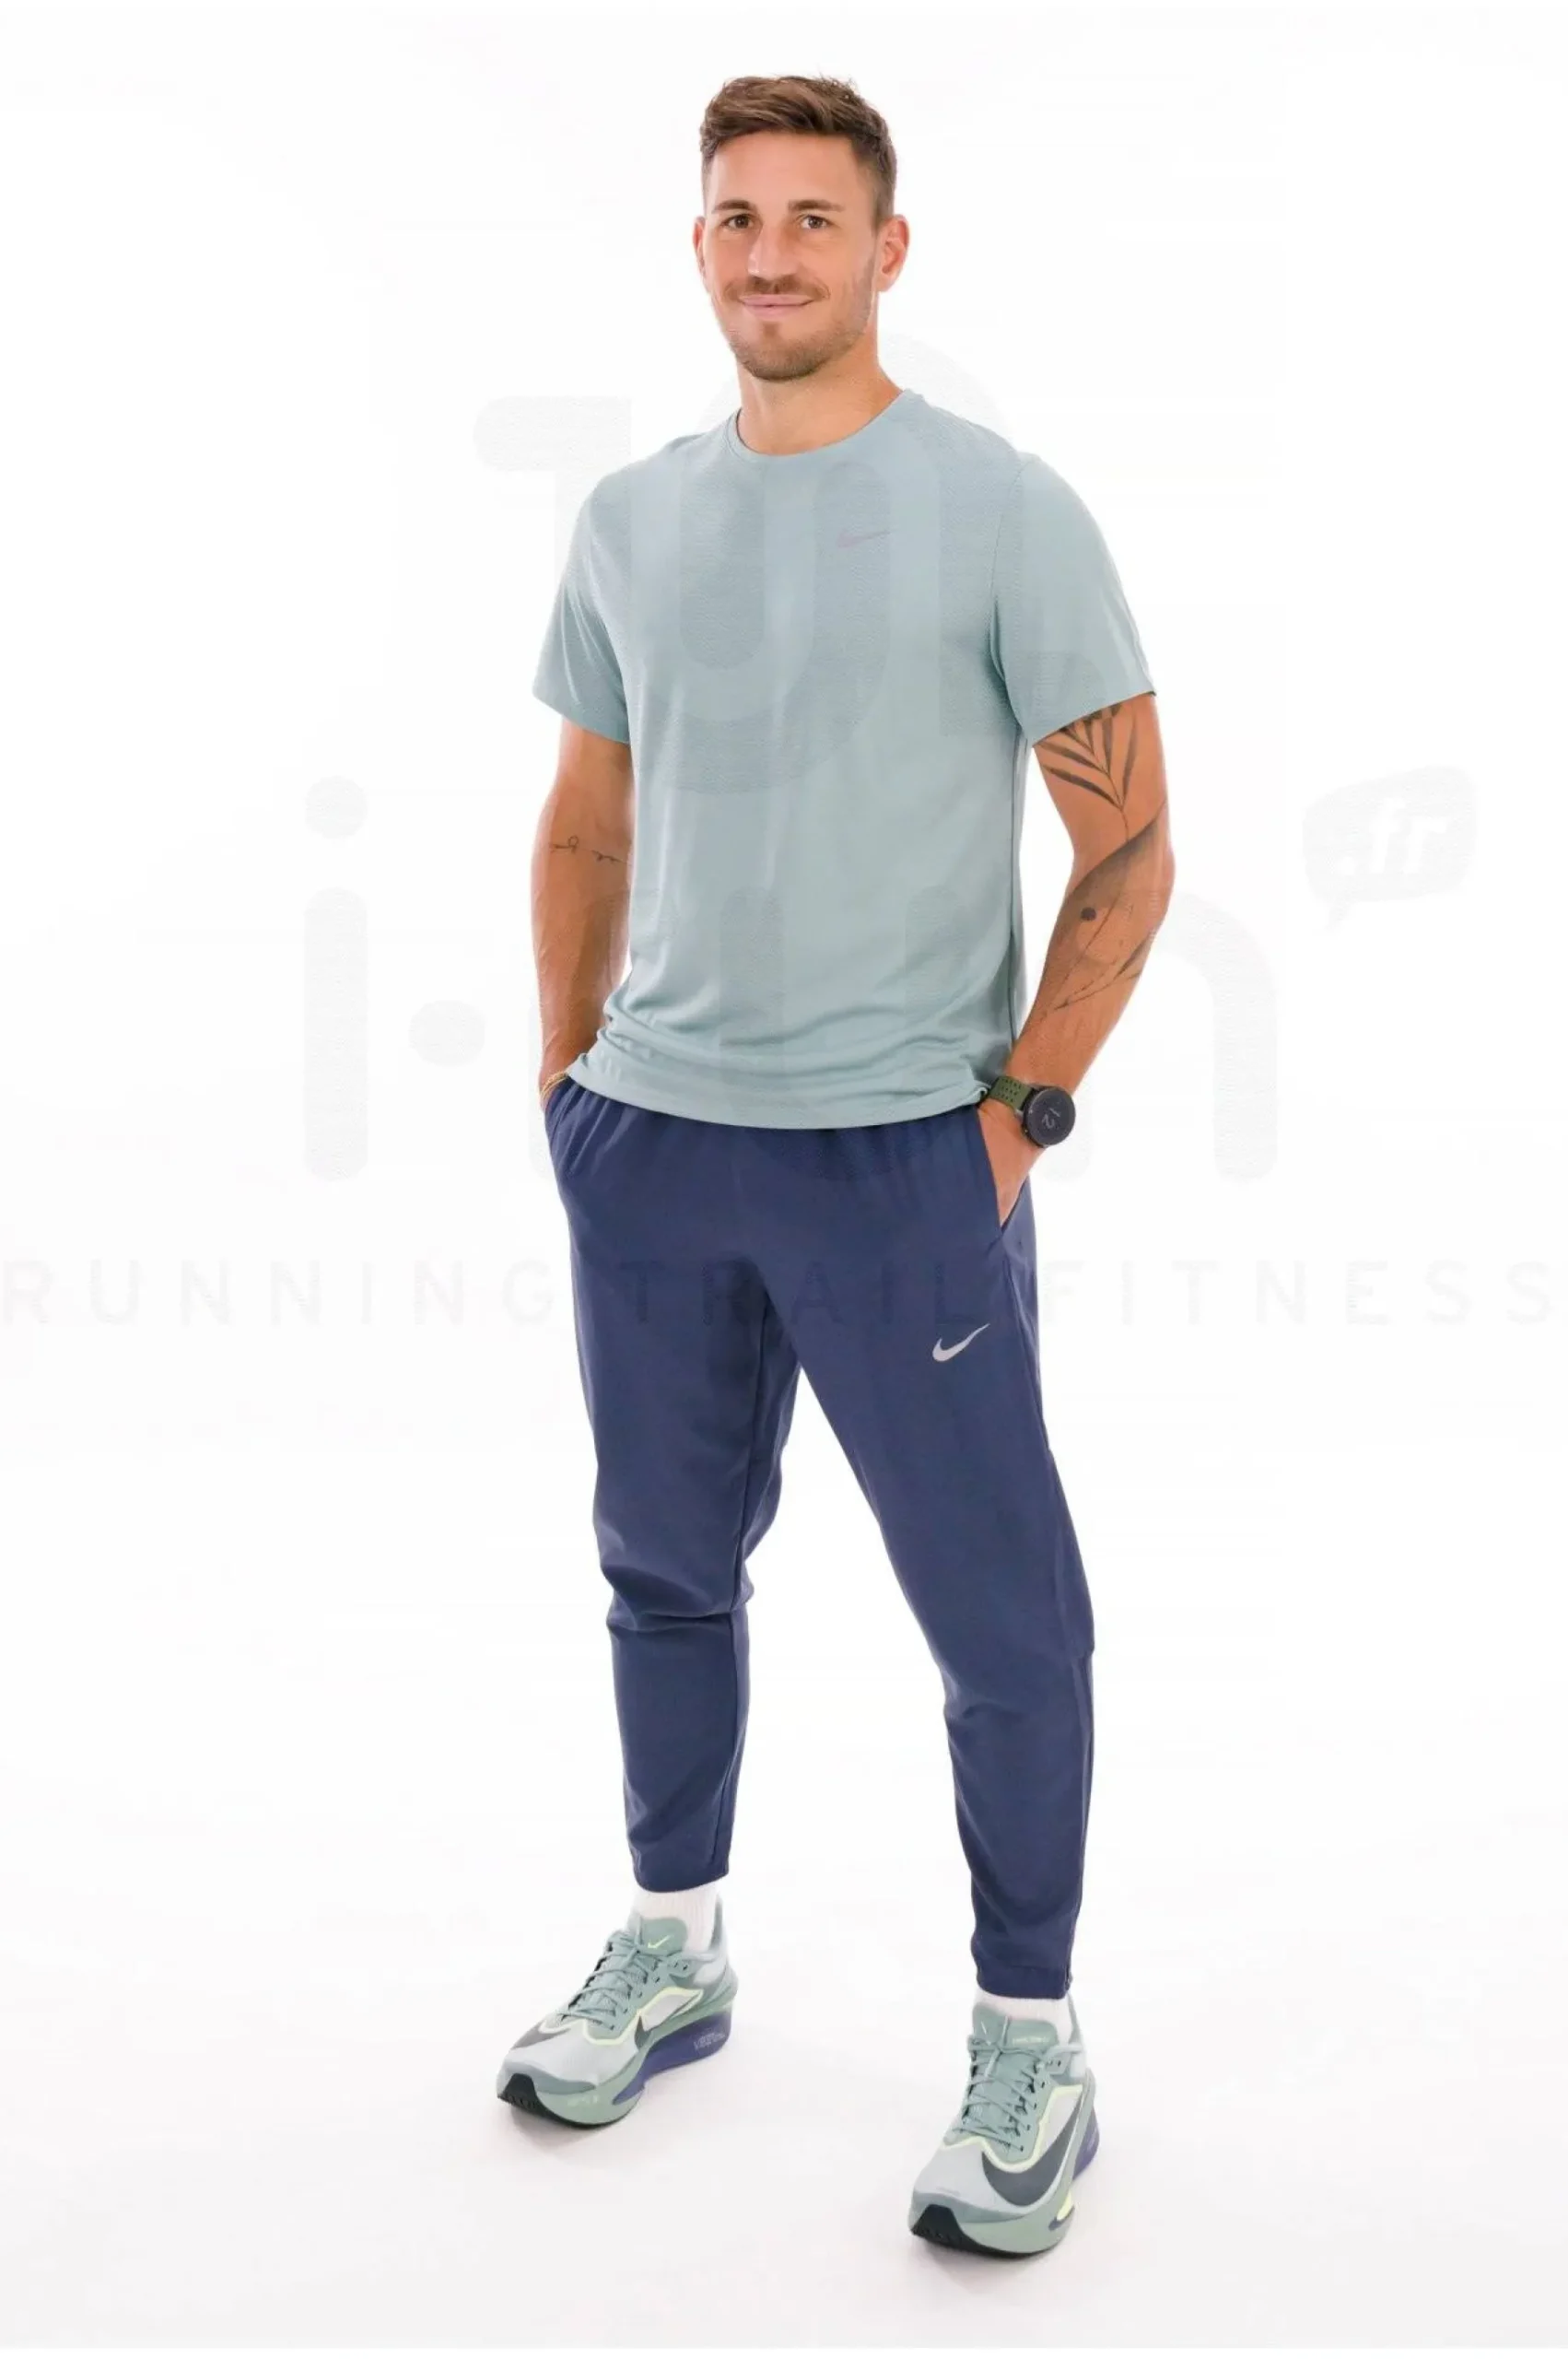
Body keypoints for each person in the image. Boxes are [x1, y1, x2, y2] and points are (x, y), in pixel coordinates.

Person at [496, 71, 1175, 2261]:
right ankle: (672, 1940)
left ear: (886, 250)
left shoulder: (997, 506)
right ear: (696, 247)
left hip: (899, 1161)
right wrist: (567, 1085)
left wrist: (1017, 1110)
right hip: (652, 1147)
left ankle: (1028, 2038)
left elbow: (1129, 845)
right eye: (735, 217)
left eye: (812, 217)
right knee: (660, 1565)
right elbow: (587, 816)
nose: (770, 253)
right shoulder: (630, 517)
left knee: (1000, 1617)